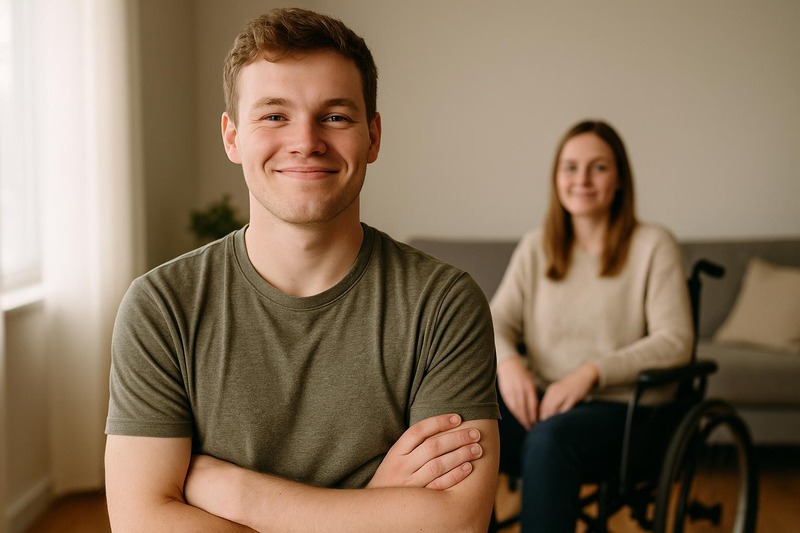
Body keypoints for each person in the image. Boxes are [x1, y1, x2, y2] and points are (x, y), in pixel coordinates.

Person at [104, 8, 499, 532]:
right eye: (273, 116)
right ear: (232, 137)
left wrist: (235, 491)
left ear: (373, 137)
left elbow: (456, 523)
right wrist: (378, 508)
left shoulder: (442, 302)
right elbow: (141, 522)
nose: (306, 141)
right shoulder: (161, 306)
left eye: (335, 116)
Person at [491, 120, 693, 531]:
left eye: (598, 167)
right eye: (570, 167)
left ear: (619, 178)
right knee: (463, 421)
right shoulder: (537, 245)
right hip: (544, 401)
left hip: (626, 410)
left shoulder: (653, 245)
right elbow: (494, 320)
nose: (581, 179)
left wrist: (590, 373)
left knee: (551, 440)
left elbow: (676, 341)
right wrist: (508, 362)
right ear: (556, 178)